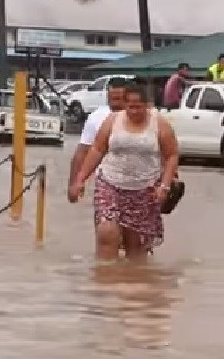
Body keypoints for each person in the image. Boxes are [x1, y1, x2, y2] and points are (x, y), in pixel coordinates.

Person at [68, 84, 179, 263]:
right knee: (107, 233)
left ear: (148, 105)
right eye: (130, 106)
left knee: (136, 245)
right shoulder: (112, 120)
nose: (134, 111)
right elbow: (97, 149)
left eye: (138, 106)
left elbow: (172, 155)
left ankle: (133, 284)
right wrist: (79, 179)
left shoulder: (160, 123)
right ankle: (104, 278)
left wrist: (165, 186)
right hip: (110, 184)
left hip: (145, 189)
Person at [68, 80, 129, 203]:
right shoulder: (96, 117)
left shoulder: (140, 116)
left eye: (118, 99)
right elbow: (82, 151)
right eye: (111, 98)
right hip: (106, 181)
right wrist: (75, 182)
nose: (114, 103)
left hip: (138, 183)